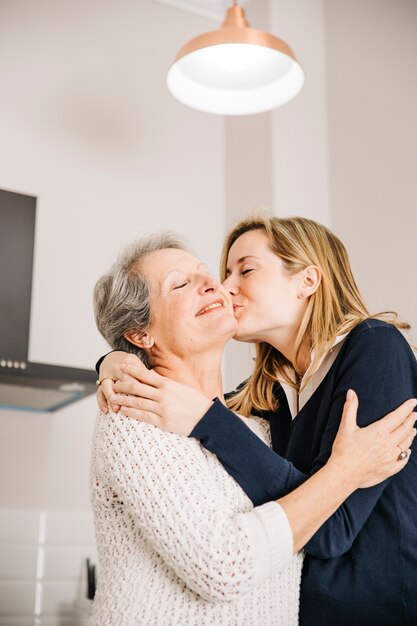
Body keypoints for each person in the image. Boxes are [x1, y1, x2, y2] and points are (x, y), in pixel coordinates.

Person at [97, 216, 417, 626]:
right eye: (225, 273)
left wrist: (203, 417)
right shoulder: (268, 395)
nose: (225, 286)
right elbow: (198, 408)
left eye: (245, 270)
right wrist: (111, 361)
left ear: (308, 281)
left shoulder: (375, 346)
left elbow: (330, 527)